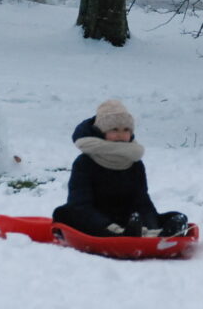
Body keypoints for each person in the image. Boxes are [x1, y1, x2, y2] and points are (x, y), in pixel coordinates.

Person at [52, 100, 188, 238]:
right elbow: (80, 204)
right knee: (64, 214)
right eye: (114, 130)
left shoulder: (134, 164)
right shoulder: (85, 163)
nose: (120, 135)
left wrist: (150, 225)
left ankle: (150, 233)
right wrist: (108, 226)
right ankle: (120, 234)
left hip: (129, 220)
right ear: (101, 132)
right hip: (96, 221)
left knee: (176, 217)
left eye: (126, 130)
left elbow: (142, 203)